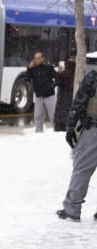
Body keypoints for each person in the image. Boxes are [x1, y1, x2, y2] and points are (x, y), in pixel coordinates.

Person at [57, 67, 97, 222]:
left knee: (81, 170)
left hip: (93, 131)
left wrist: (70, 128)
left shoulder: (93, 77)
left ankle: (71, 210)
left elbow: (79, 103)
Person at [25, 51, 58, 132]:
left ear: (43, 58)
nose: (37, 60)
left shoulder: (49, 67)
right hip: (38, 96)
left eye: (38, 58)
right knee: (37, 117)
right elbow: (26, 78)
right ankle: (38, 133)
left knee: (53, 116)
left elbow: (57, 78)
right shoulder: (33, 69)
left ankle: (57, 132)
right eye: (35, 58)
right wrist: (29, 68)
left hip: (50, 96)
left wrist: (52, 86)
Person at [54, 52, 76, 132]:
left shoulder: (67, 73)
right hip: (65, 103)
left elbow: (56, 83)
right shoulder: (68, 73)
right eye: (71, 58)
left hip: (64, 104)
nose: (72, 61)